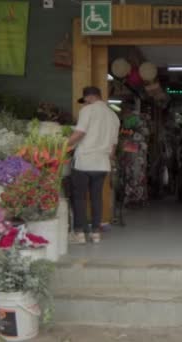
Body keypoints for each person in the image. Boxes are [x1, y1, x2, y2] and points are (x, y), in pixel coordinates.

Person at [67, 86, 120, 244]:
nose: (84, 104)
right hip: (102, 163)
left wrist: (63, 144)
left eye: (85, 101)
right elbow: (113, 148)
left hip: (84, 161)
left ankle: (79, 233)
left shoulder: (88, 110)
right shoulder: (113, 116)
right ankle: (96, 233)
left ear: (89, 98)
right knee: (97, 198)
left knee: (80, 198)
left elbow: (80, 132)